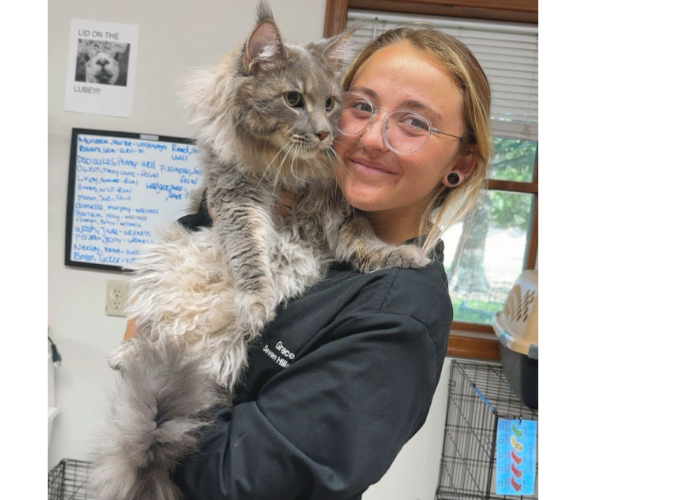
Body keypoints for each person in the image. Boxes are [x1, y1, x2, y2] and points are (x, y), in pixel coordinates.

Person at [123, 25, 491, 499]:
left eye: (414, 123)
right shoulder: (294, 197)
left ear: (462, 164)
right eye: (362, 106)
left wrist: (151, 380)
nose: (371, 138)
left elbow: (246, 479)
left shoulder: (399, 313)